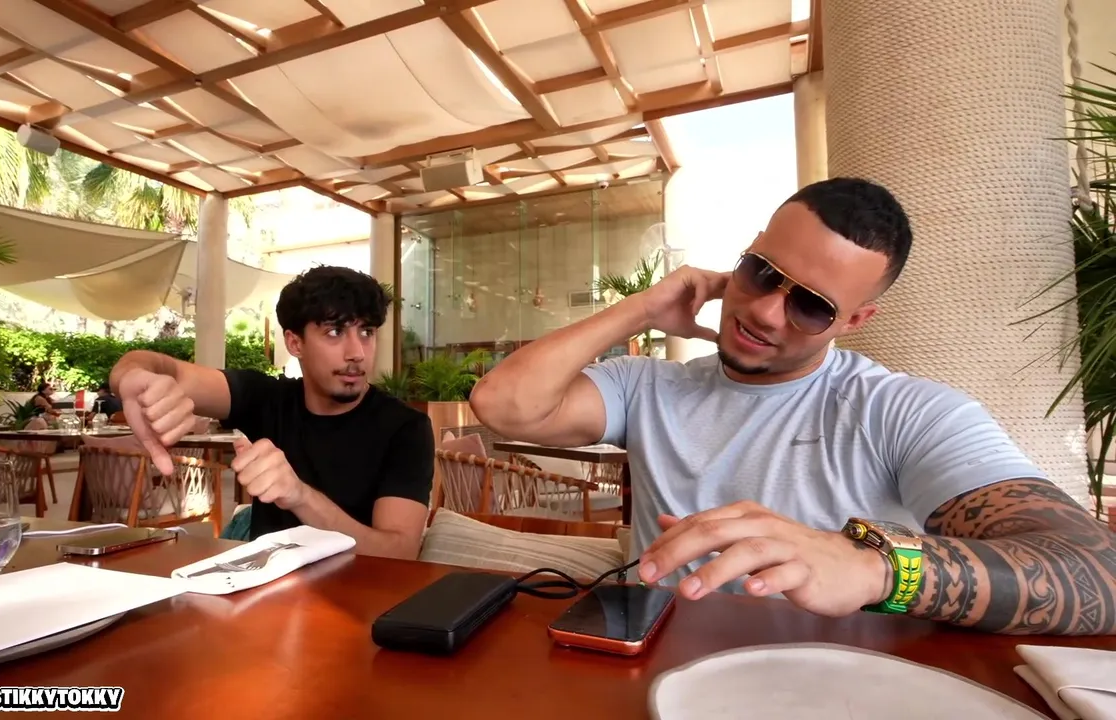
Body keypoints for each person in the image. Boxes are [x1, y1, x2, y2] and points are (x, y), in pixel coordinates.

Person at [470, 177, 1116, 636]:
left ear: (854, 321)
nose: (765, 312)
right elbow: (502, 404)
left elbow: (1098, 570)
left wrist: (878, 570)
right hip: (650, 665)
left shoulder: (900, 412)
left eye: (811, 305)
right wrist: (643, 308)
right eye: (760, 272)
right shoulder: (649, 388)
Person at [108, 266, 435, 560]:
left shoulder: (405, 427)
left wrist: (300, 496)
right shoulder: (268, 398)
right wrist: (131, 378)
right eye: (335, 332)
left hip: (360, 597)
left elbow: (399, 552)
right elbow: (158, 366)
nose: (357, 353)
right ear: (295, 343)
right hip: (263, 594)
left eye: (367, 332)